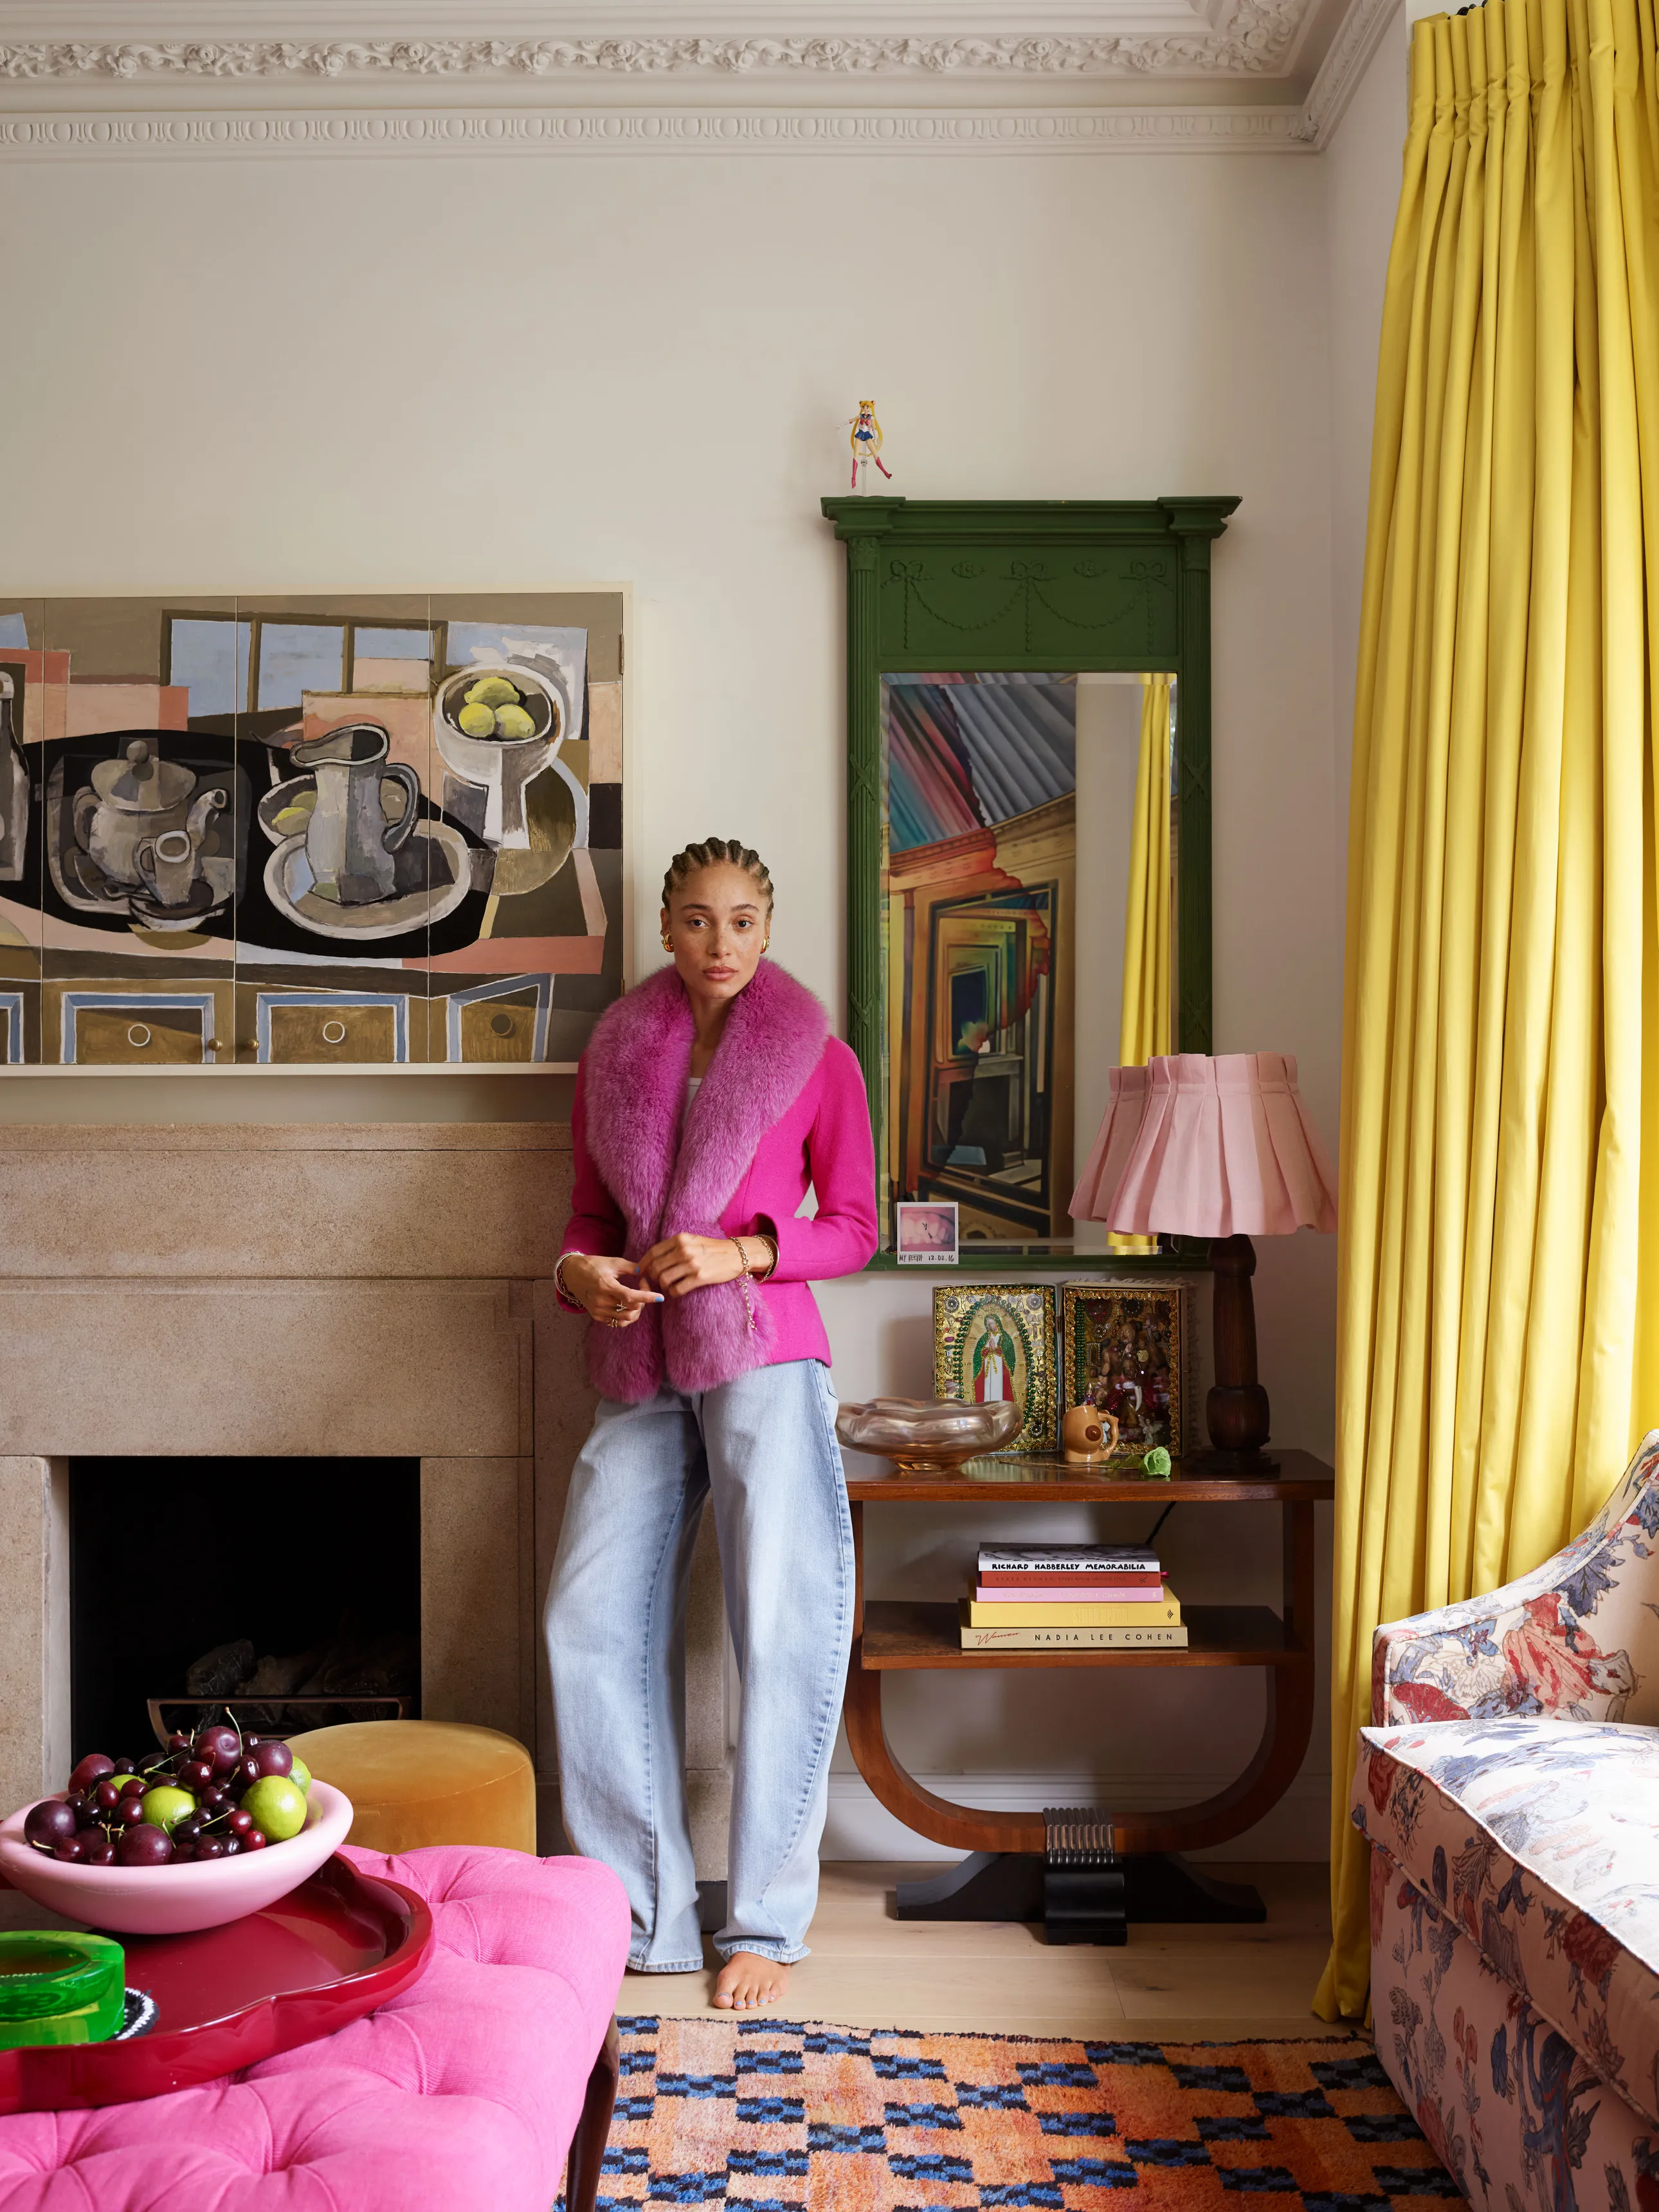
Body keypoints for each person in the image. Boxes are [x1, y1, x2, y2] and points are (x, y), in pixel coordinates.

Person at [545, 837, 878, 2013]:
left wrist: (741, 1250)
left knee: (778, 1623)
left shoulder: (818, 1058)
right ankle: (645, 1915)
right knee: (587, 1609)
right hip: (636, 1353)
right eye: (697, 920)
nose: (720, 943)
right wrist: (579, 1274)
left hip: (765, 1354)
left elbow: (853, 1225)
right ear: (668, 930)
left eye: (742, 920)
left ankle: (767, 1923)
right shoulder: (618, 1055)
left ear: (769, 928)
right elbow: (587, 1216)